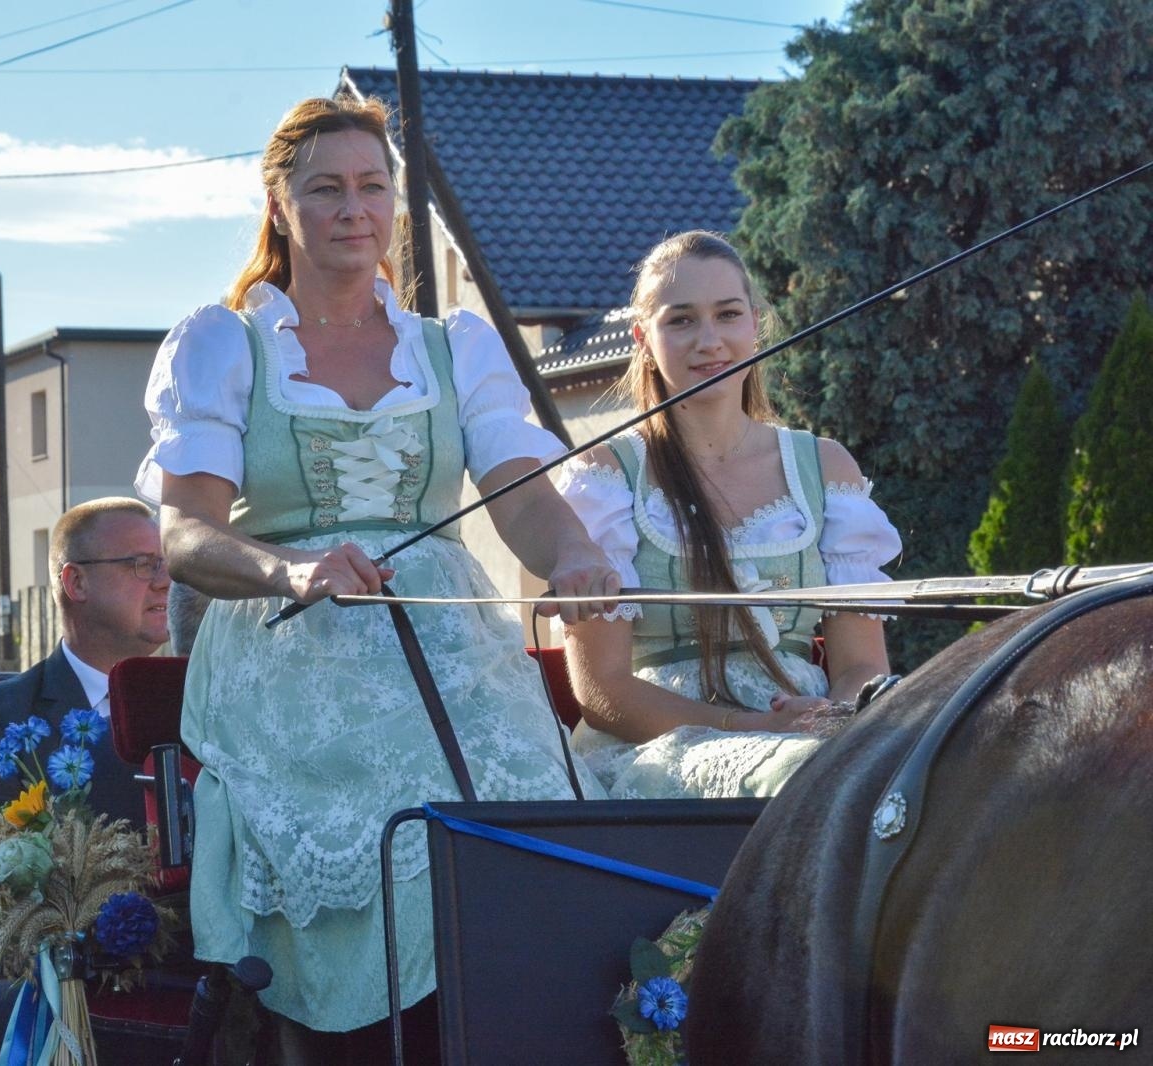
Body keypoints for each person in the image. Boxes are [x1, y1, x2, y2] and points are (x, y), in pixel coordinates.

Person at [138, 94, 620, 1062]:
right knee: (397, 830)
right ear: (279, 206)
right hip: (287, 648)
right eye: (325, 190)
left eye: (371, 185)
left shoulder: (453, 346)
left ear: (396, 201)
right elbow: (183, 533)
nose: (353, 208)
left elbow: (520, 492)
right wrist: (289, 568)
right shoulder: (224, 343)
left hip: (450, 645)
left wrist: (569, 551)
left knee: (522, 794)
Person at [557, 230, 901, 799]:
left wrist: (836, 720)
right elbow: (604, 690)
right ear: (643, 337)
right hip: (659, 745)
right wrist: (759, 728)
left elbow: (861, 665)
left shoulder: (825, 468)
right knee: (798, 781)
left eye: (727, 314)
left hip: (808, 729)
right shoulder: (608, 475)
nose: (709, 340)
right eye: (682, 320)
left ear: (756, 323)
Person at [0, 497, 170, 1066]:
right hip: (75, 973)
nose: (165, 581)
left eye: (167, 564)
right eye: (142, 564)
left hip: (207, 958)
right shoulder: (0, 715)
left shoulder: (202, 697)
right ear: (76, 582)